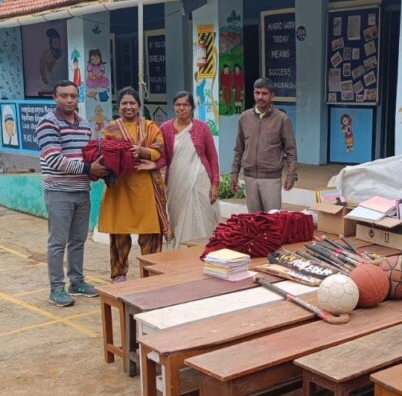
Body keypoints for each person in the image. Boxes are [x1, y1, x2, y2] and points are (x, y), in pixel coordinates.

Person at [37, 80, 107, 306]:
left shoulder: (85, 124)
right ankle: (56, 289)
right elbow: (54, 160)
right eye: (63, 96)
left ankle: (76, 282)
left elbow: (86, 155)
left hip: (81, 190)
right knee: (57, 242)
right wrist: (89, 168)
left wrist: (98, 169)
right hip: (58, 192)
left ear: (78, 98)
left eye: (73, 96)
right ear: (55, 98)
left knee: (78, 240)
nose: (69, 100)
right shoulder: (47, 123)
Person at [98, 87, 170, 283]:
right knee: (119, 234)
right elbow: (103, 152)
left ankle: (151, 275)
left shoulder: (150, 126)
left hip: (145, 187)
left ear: (139, 106)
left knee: (151, 234)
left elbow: (159, 149)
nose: (128, 106)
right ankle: (119, 274)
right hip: (120, 189)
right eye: (124, 103)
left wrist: (142, 151)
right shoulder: (110, 128)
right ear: (118, 106)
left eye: (132, 103)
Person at [147, 91, 221, 248]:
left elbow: (212, 157)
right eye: (178, 105)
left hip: (201, 181)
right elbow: (163, 156)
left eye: (185, 105)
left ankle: (203, 251)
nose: (182, 108)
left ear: (192, 108)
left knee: (204, 219)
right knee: (178, 220)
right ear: (174, 107)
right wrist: (153, 164)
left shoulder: (202, 128)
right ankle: (180, 255)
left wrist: (215, 184)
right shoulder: (165, 128)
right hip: (177, 182)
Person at [230, 78, 298, 213]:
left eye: (264, 93)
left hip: (271, 179)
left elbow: (291, 150)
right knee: (254, 222)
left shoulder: (281, 119)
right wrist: (234, 174)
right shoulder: (244, 118)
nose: (260, 97)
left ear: (272, 95)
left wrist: (292, 175)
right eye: (257, 93)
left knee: (273, 221)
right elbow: (239, 149)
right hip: (250, 178)